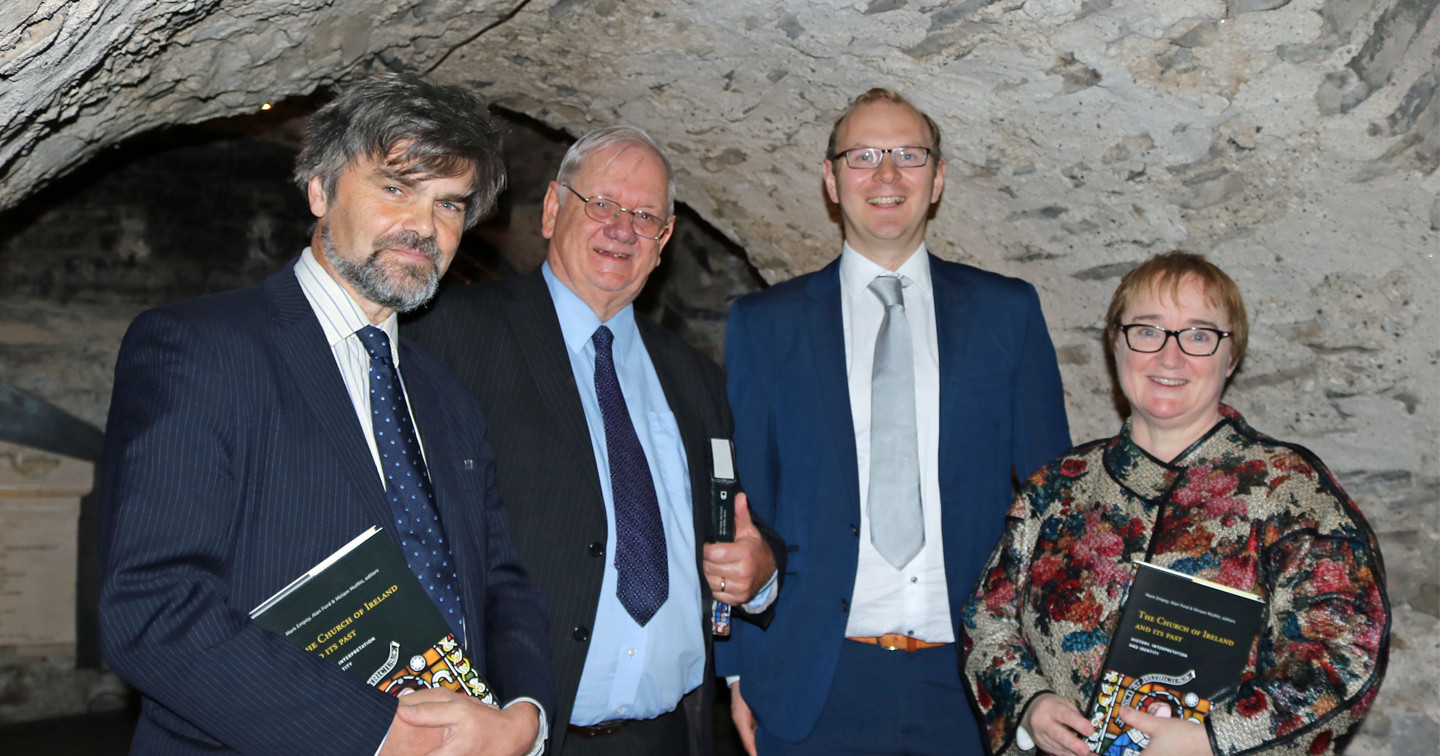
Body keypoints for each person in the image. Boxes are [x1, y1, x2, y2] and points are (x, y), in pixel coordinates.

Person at [98, 73, 553, 755]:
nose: (424, 228)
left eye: (450, 205)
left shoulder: (446, 398)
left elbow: (498, 583)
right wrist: (377, 735)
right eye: (396, 188)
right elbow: (152, 607)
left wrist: (524, 718)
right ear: (319, 189)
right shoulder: (201, 349)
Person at [406, 125, 785, 756]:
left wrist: (762, 569)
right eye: (602, 204)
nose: (621, 229)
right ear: (554, 208)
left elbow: (734, 524)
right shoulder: (451, 337)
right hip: (518, 735)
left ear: (663, 242)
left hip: (671, 734)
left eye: (644, 217)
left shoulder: (695, 379)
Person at [721, 88, 1071, 755]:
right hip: (815, 684)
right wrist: (740, 668)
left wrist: (1051, 675)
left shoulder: (1007, 314)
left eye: (908, 155)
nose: (886, 175)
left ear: (937, 179)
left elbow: (1051, 506)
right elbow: (746, 506)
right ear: (831, 179)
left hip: (973, 685)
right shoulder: (765, 326)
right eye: (864, 157)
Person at [962, 251, 1390, 756]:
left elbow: (1342, 658)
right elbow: (987, 621)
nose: (1170, 356)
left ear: (1231, 357)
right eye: (1148, 330)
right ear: (1115, 344)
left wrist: (1213, 741)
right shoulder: (1057, 486)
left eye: (1199, 335)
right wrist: (1030, 704)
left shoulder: (1291, 492)